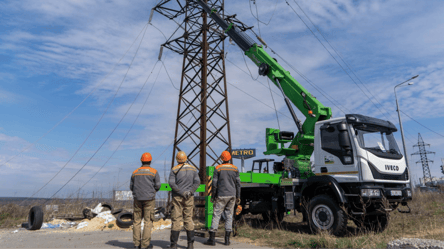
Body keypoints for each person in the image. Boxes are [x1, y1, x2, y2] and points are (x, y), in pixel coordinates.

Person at [205, 151, 241, 246]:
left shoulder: (218, 168)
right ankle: (227, 240)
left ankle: (212, 240)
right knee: (229, 215)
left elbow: (214, 183)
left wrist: (213, 195)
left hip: (221, 195)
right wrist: (238, 196)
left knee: (216, 215)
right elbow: (238, 184)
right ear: (229, 158)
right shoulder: (235, 169)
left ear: (221, 158)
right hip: (232, 195)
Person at [168, 151, 201, 249]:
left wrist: (181, 192)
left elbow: (172, 184)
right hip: (189, 197)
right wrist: (190, 192)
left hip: (177, 197)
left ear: (177, 159)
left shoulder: (174, 169)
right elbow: (197, 182)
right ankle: (190, 245)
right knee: (188, 219)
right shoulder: (193, 169)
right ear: (186, 158)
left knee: (176, 219)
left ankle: (173, 245)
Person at [130, 152, 161, 249]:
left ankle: (136, 244)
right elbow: (158, 185)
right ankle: (145, 245)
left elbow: (131, 187)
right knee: (148, 221)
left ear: (141, 160)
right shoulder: (154, 172)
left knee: (136, 221)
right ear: (150, 161)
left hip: (137, 200)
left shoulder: (135, 172)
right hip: (149, 200)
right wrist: (152, 192)